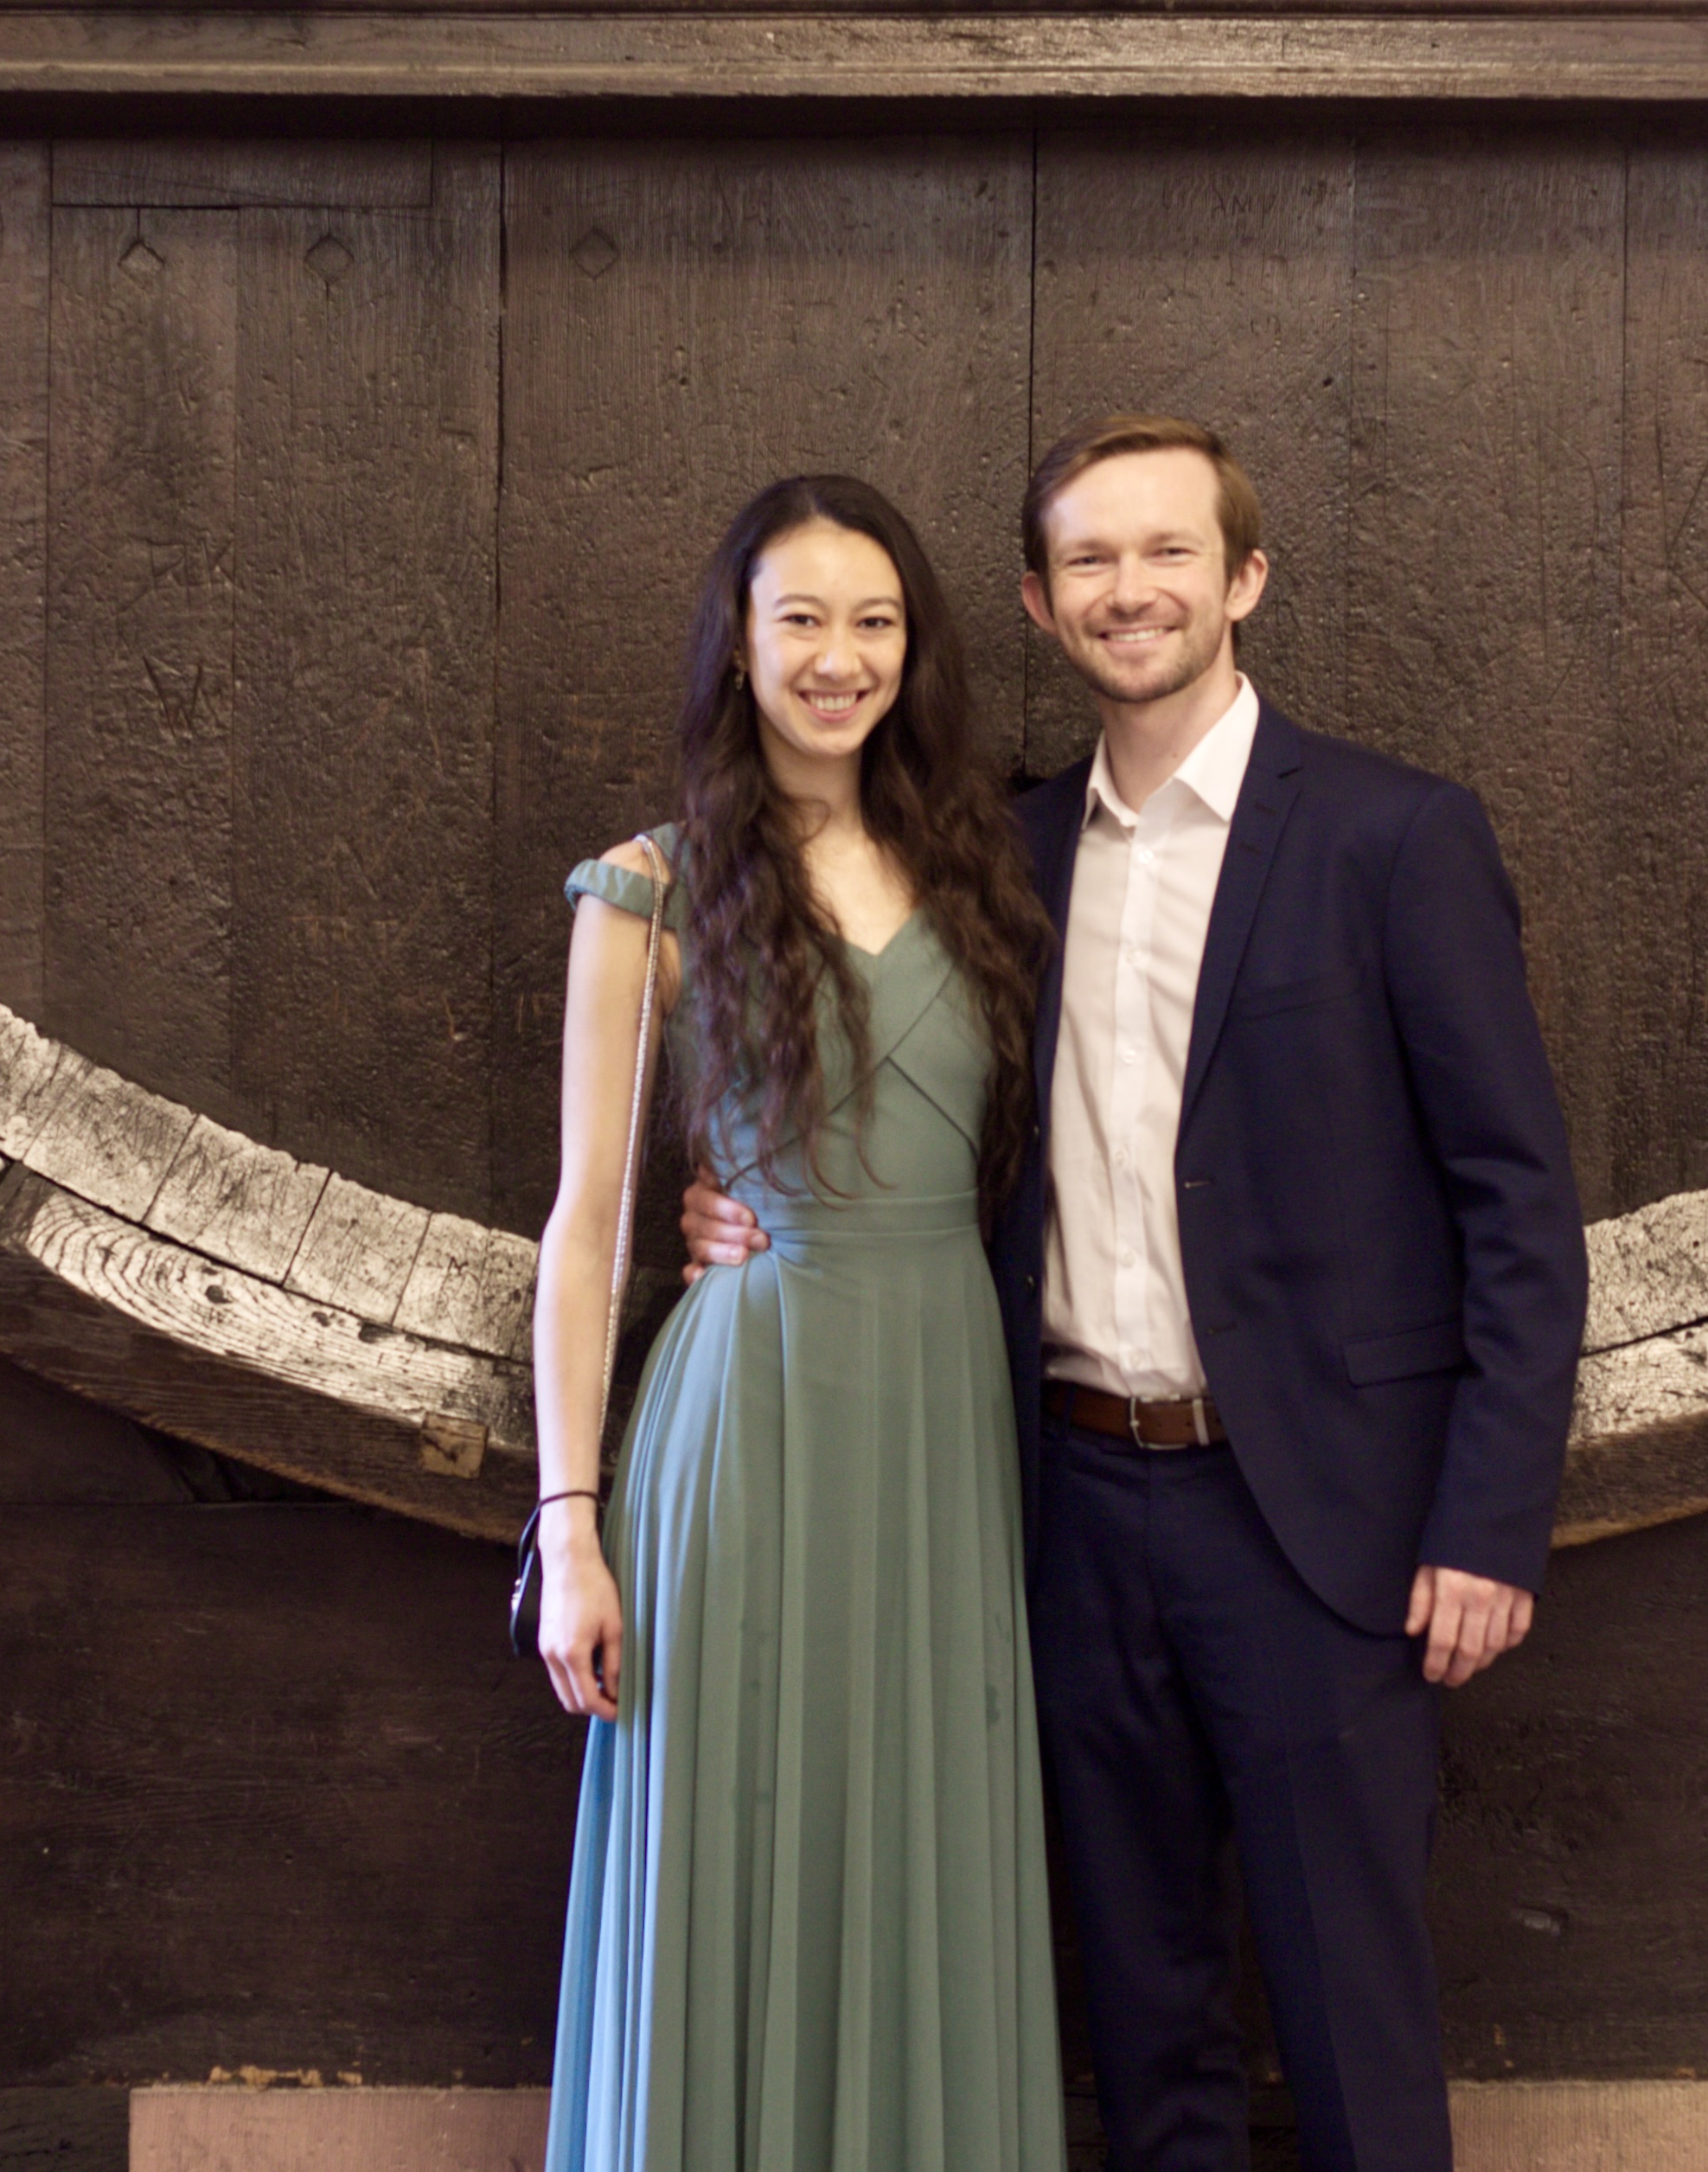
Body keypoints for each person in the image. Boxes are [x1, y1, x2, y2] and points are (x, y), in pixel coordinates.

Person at [685, 416, 1589, 2172]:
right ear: (1036, 604)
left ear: (1243, 578)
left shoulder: (1394, 837)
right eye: (1087, 559)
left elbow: (1518, 1201)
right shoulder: (995, 855)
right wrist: (734, 1191)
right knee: (1138, 2019)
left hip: (1319, 1523)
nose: (1129, 589)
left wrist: (1489, 1522)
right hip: (1067, 1509)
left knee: (1353, 2022)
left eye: (1168, 550)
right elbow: (894, 1105)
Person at [530, 474, 1065, 2172]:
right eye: (803, 619)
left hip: (940, 1414)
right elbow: (586, 1221)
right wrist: (566, 1523)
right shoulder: (649, 889)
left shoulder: (983, 870)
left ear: (915, 649)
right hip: (746, 1419)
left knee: (922, 1828)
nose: (840, 657)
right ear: (739, 643)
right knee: (733, 1829)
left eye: (874, 621)